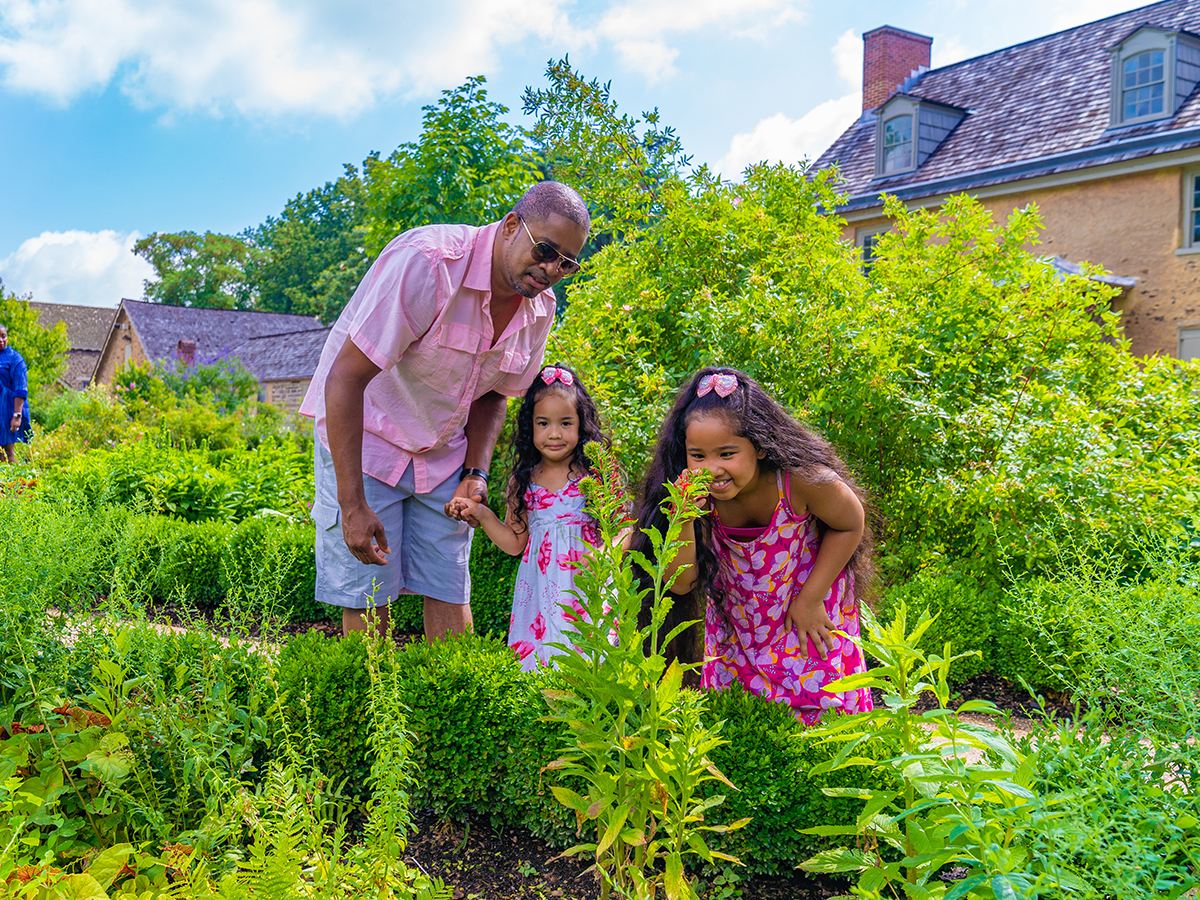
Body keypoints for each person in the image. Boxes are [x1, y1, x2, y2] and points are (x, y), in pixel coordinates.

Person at [299, 182, 590, 641]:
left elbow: (496, 393)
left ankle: (448, 702)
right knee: (368, 596)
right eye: (545, 250)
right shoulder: (429, 263)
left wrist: (477, 471)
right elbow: (346, 378)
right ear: (511, 225)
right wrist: (351, 504)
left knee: (450, 588)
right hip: (370, 438)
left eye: (566, 263)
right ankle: (376, 709)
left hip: (443, 453)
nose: (551, 268)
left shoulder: (540, 308)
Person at [630, 367, 874, 725]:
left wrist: (811, 598)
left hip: (805, 619)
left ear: (759, 446)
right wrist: (682, 517)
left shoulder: (799, 481)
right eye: (697, 456)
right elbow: (682, 582)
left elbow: (850, 522)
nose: (711, 469)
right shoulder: (691, 497)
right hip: (738, 634)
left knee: (823, 724)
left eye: (727, 454)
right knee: (738, 728)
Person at [446, 363, 608, 670]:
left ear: (581, 424)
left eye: (566, 423)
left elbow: (625, 528)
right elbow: (514, 542)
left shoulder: (595, 474)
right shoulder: (524, 483)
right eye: (543, 423)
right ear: (529, 427)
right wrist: (482, 514)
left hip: (588, 586)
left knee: (592, 661)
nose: (555, 434)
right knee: (544, 662)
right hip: (542, 592)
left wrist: (601, 553)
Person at [0, 325, 31, 464]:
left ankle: (17, 484)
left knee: (8, 454)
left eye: (3, 336)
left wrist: (17, 416)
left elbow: (20, 388)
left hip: (9, 412)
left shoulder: (15, 359)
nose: (1, 340)